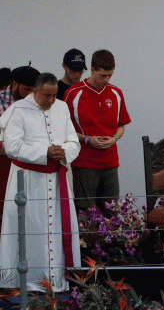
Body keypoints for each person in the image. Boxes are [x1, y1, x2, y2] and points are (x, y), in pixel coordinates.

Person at [0, 73, 81, 292]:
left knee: (57, 230)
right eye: (47, 95)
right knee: (30, 232)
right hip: (28, 181)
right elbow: (12, 147)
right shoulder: (17, 111)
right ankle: (26, 283)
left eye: (55, 95)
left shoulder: (62, 108)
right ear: (35, 91)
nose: (51, 100)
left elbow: (73, 140)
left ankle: (59, 282)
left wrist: (64, 152)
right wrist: (44, 152)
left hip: (56, 180)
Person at [64, 49, 131, 213]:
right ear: (92, 70)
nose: (106, 80)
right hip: (84, 162)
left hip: (110, 162)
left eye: (110, 75)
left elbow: (121, 126)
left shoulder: (116, 93)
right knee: (86, 212)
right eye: (103, 75)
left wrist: (115, 138)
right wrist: (87, 139)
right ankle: (84, 240)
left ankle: (112, 239)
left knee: (111, 210)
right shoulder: (73, 93)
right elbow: (64, 130)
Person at [0, 66, 40, 156]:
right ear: (15, 84)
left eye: (34, 91)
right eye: (27, 89)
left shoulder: (39, 102)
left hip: (30, 160)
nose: (30, 94)